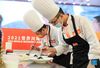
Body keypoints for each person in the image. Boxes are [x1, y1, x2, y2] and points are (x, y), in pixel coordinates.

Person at [32, 0, 100, 68]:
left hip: (91, 59)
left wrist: (93, 63)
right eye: (51, 23)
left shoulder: (81, 21)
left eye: (54, 22)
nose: (53, 25)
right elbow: (64, 46)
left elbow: (94, 43)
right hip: (76, 60)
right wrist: (51, 49)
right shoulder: (60, 29)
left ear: (61, 15)